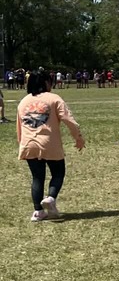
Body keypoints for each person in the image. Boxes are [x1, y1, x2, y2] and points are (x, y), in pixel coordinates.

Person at [17, 69, 85, 220]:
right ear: (47, 82)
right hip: (49, 143)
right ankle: (51, 198)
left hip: (28, 143)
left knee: (37, 177)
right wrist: (78, 137)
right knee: (58, 173)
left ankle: (38, 211)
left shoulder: (23, 101)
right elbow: (69, 120)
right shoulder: (54, 98)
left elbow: (19, 126)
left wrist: (21, 144)